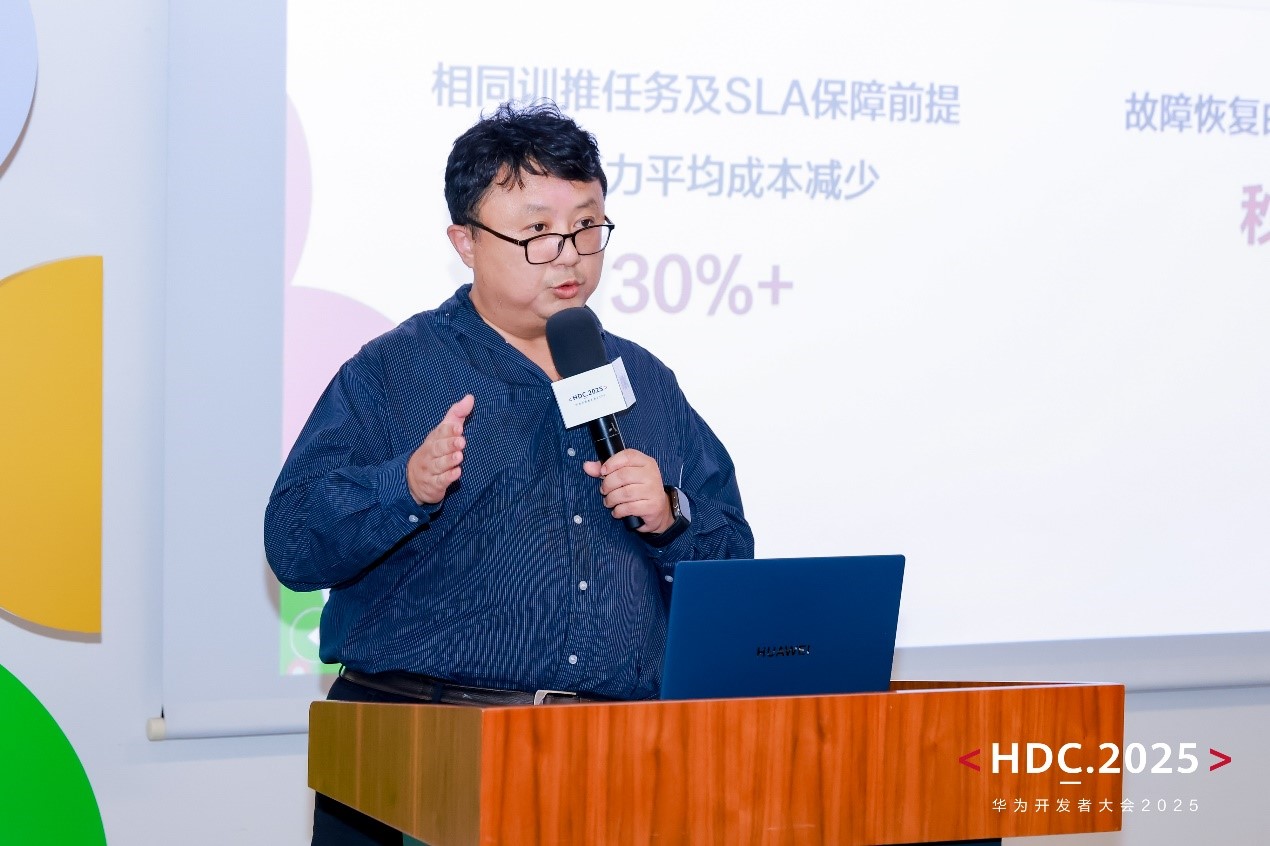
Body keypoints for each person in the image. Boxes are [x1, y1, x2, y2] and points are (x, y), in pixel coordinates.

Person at [264, 100, 754, 845]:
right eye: (537, 232)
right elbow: (294, 544)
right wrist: (405, 487)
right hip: (421, 749)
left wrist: (671, 515)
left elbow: (734, 557)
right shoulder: (396, 372)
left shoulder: (645, 381)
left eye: (586, 227)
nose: (569, 254)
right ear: (465, 241)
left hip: (612, 760)